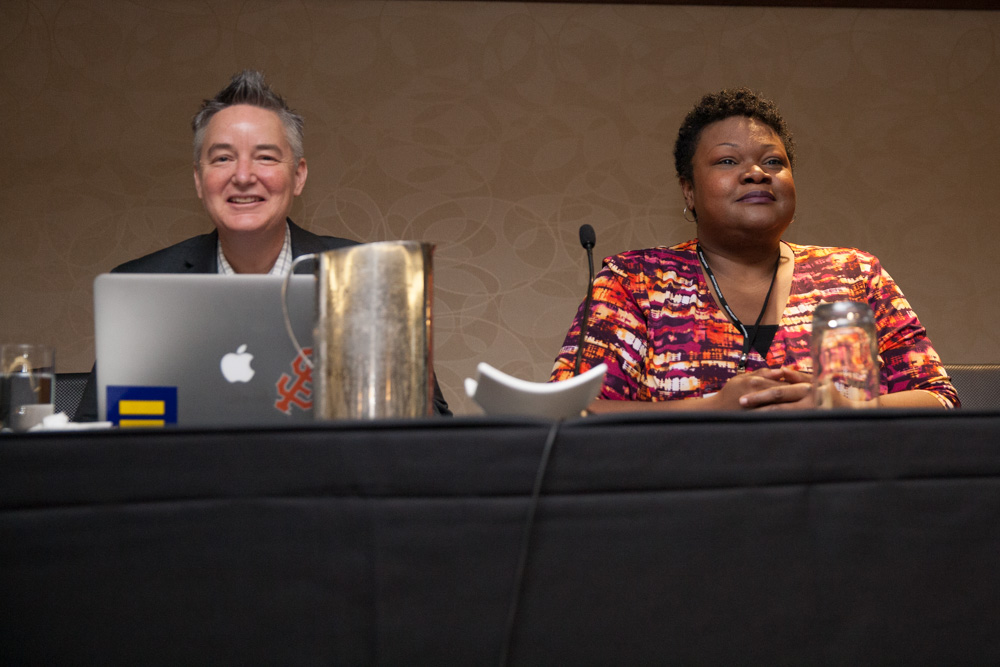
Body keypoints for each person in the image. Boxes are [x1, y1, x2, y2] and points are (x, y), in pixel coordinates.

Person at [550, 87, 958, 412]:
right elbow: (573, 410)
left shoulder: (855, 275)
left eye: (774, 162)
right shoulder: (635, 281)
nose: (757, 173)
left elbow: (938, 399)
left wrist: (844, 406)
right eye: (728, 161)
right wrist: (713, 409)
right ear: (688, 191)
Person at [76, 70, 450, 419]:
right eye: (223, 158)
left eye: (265, 158)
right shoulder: (144, 288)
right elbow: (98, 433)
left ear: (298, 176)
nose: (243, 176)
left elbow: (431, 425)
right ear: (198, 180)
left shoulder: (366, 279)